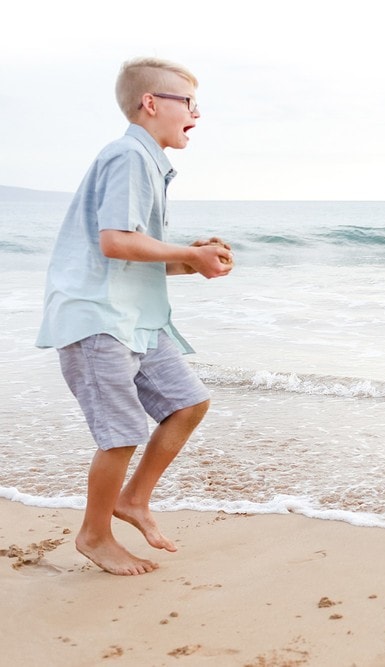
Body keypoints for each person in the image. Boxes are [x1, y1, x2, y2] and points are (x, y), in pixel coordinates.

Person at [36, 57, 234, 576]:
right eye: (189, 103)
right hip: (97, 319)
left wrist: (191, 263)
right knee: (121, 433)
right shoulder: (128, 155)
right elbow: (115, 241)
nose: (197, 114)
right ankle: (94, 535)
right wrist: (188, 255)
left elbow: (125, 255)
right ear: (151, 104)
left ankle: (133, 500)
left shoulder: (148, 162)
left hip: (133, 318)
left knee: (189, 403)